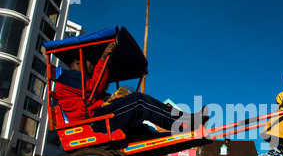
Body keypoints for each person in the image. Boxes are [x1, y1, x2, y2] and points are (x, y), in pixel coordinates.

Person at [55, 42, 209, 140]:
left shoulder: (77, 81)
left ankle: (181, 127)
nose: (93, 66)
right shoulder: (69, 77)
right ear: (77, 60)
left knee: (143, 129)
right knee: (138, 100)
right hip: (93, 124)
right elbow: (97, 87)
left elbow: (96, 93)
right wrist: (103, 58)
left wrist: (113, 98)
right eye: (91, 62)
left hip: (97, 120)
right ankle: (186, 123)